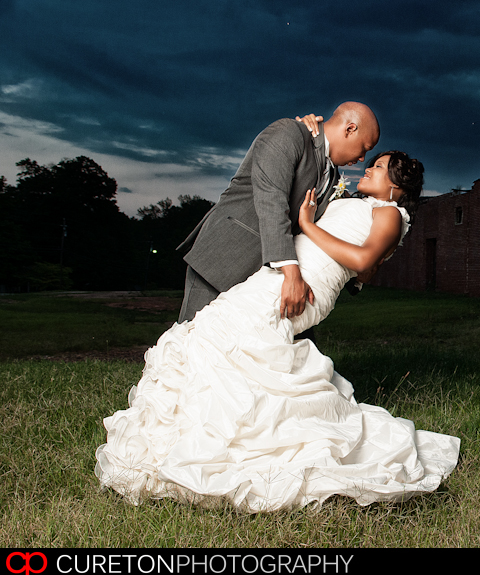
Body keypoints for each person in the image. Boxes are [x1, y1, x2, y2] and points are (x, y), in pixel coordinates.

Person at [95, 152, 460, 512]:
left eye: (378, 168)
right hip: (282, 276)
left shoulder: (391, 214)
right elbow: (364, 270)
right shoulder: (367, 206)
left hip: (305, 286)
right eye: (371, 163)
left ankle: (226, 446)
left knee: (225, 335)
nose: (367, 169)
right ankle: (197, 438)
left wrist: (310, 225)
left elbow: (363, 261)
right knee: (218, 333)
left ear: (396, 187)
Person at [176, 102, 379, 325]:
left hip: (264, 281)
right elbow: (272, 199)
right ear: (350, 129)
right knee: (190, 341)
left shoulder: (332, 178)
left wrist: (359, 272)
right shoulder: (288, 133)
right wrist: (291, 273)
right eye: (365, 148)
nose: (362, 159)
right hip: (226, 257)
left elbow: (337, 223)